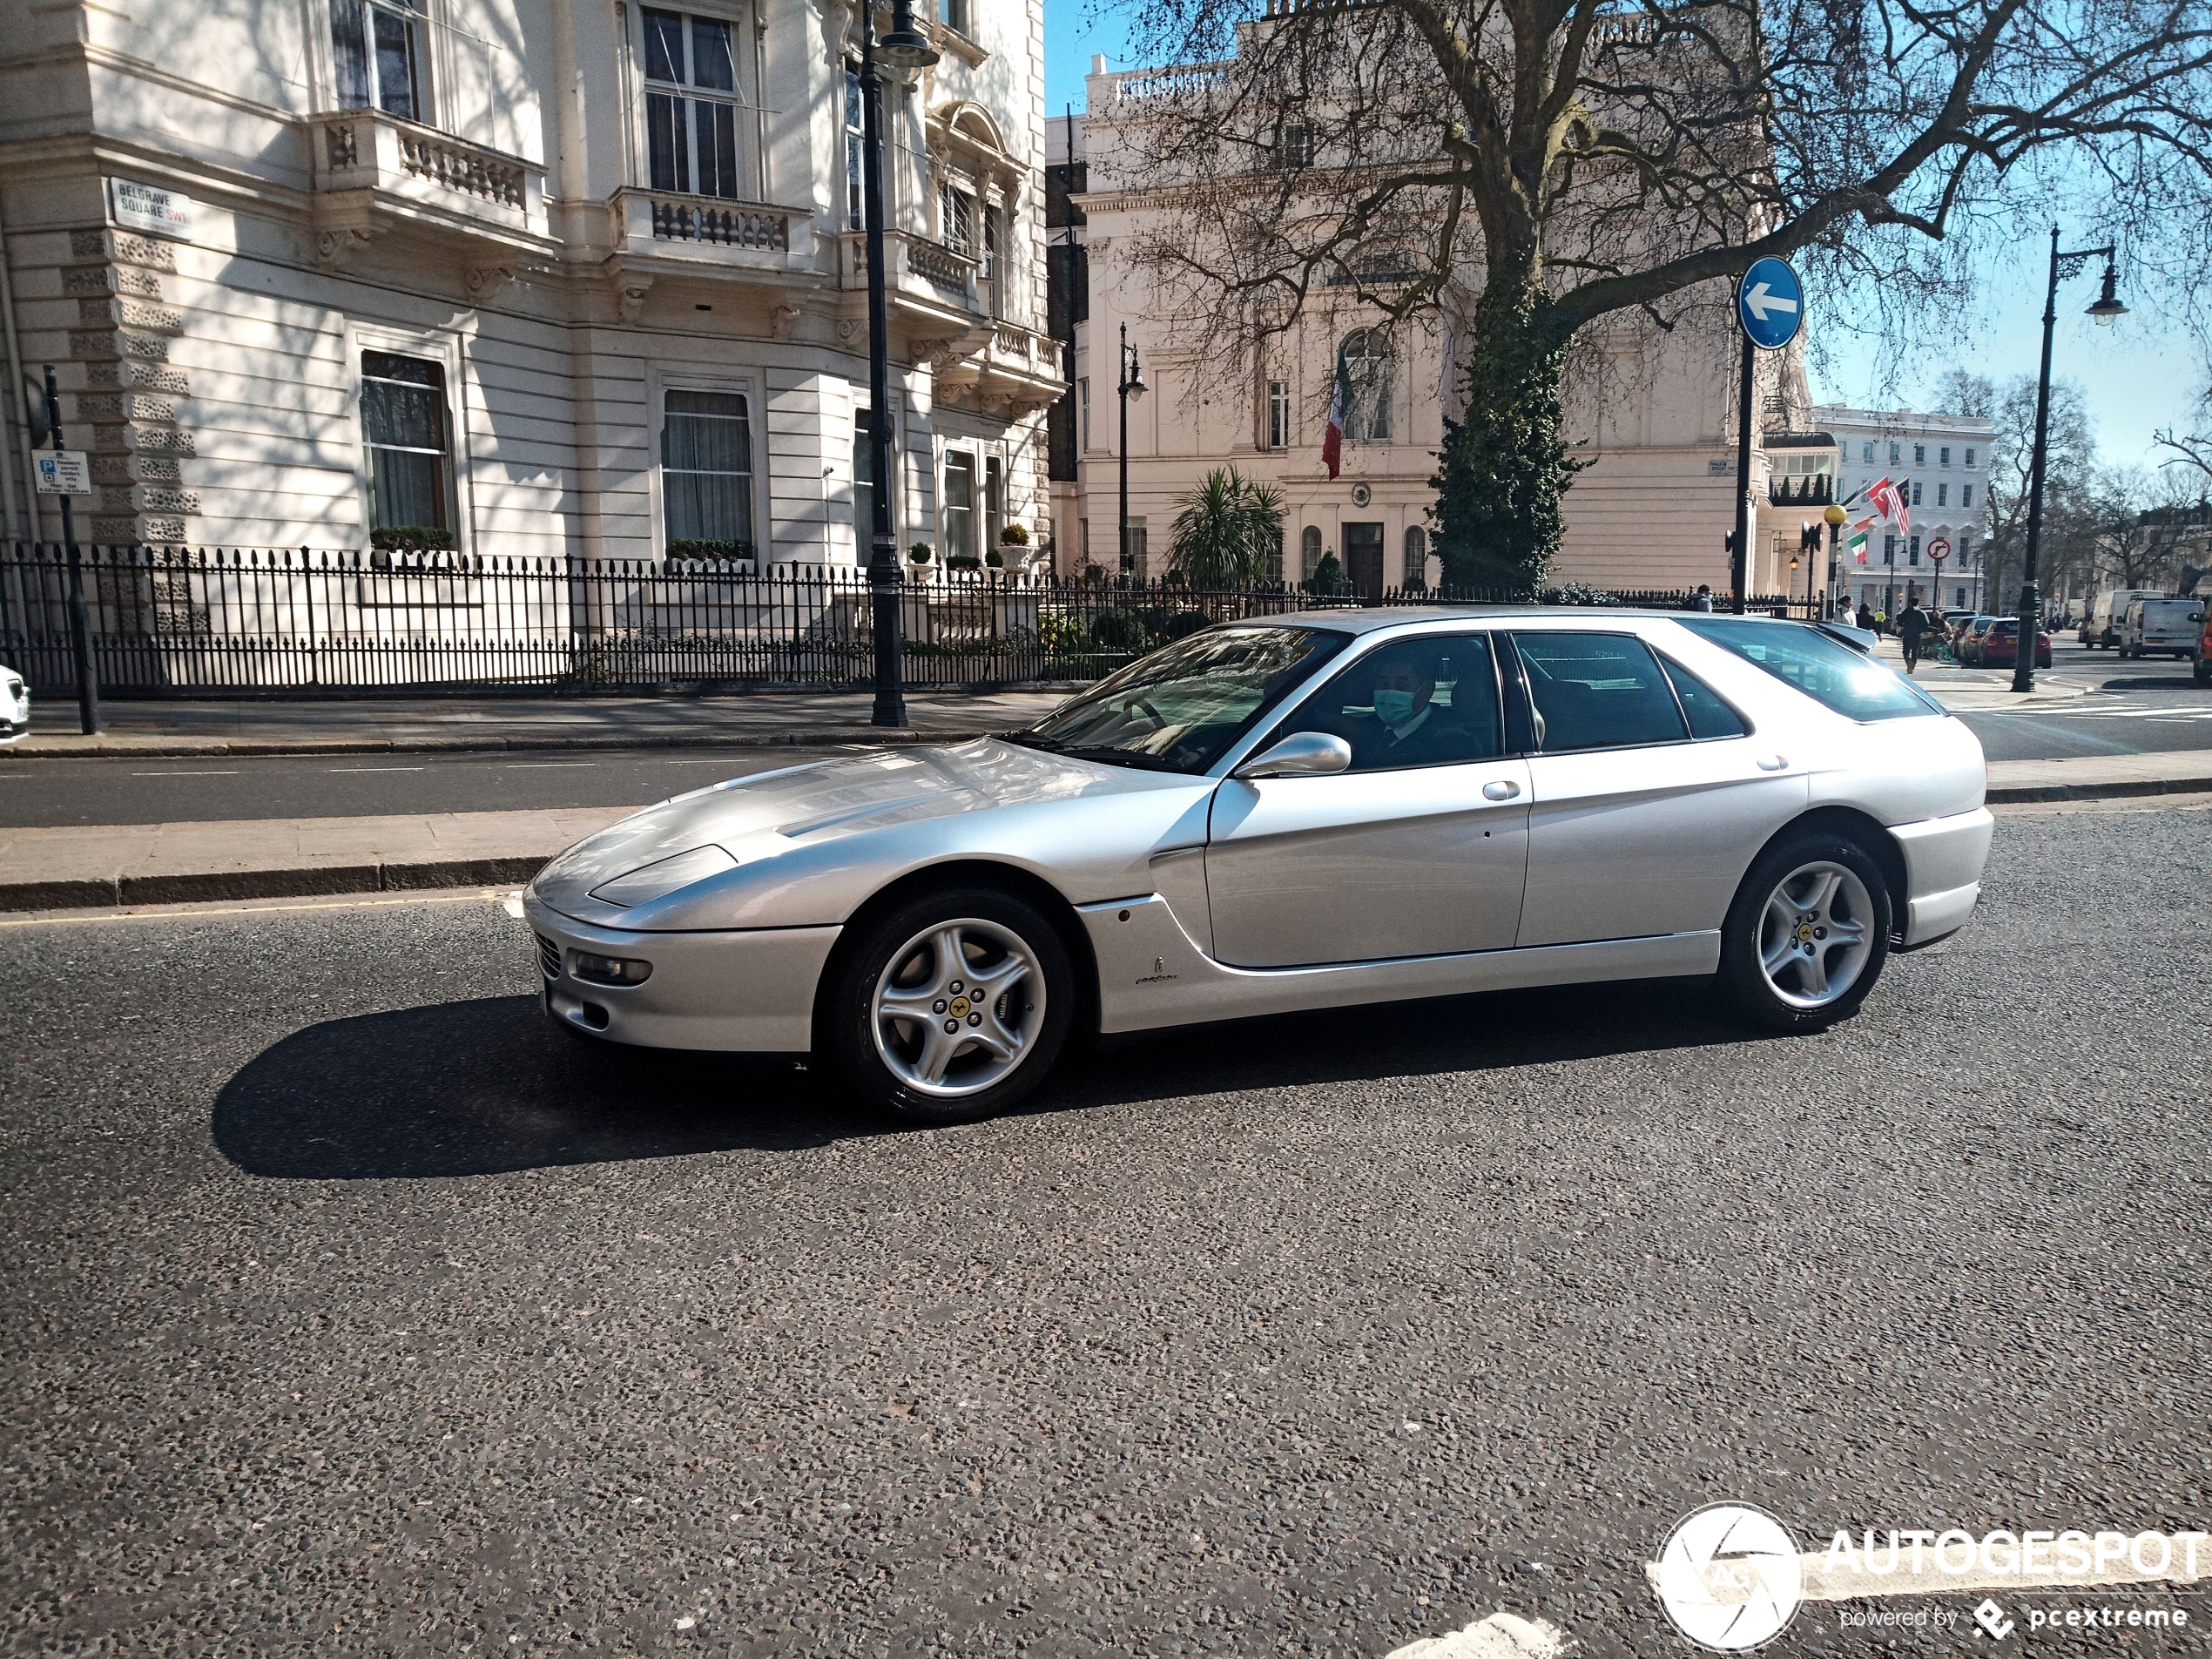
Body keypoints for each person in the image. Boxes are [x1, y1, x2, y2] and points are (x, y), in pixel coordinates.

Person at [1896, 600, 1930, 673]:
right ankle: (1913, 663)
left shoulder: (1907, 611)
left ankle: (1908, 662)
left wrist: (1903, 625)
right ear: (1918, 603)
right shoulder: (1921, 613)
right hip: (1917, 635)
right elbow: (1927, 623)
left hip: (1907, 634)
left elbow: (1899, 620)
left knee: (1906, 651)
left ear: (1910, 603)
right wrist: (1921, 630)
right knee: (1915, 651)